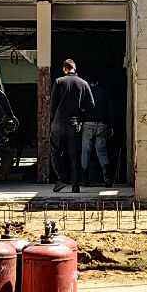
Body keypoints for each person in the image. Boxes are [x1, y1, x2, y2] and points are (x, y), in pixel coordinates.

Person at [49, 58, 93, 193]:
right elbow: (91, 105)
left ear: (64, 69)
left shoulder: (59, 82)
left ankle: (62, 178)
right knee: (74, 155)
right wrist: (80, 118)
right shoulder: (83, 83)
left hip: (59, 123)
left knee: (55, 152)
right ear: (75, 68)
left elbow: (52, 104)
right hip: (74, 124)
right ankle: (75, 186)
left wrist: (53, 120)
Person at [81, 79, 114, 186]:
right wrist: (111, 126)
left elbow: (80, 109)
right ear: (97, 82)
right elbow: (110, 109)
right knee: (101, 151)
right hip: (102, 124)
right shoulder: (105, 92)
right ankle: (107, 178)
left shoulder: (85, 92)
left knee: (86, 150)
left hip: (87, 124)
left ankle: (85, 180)